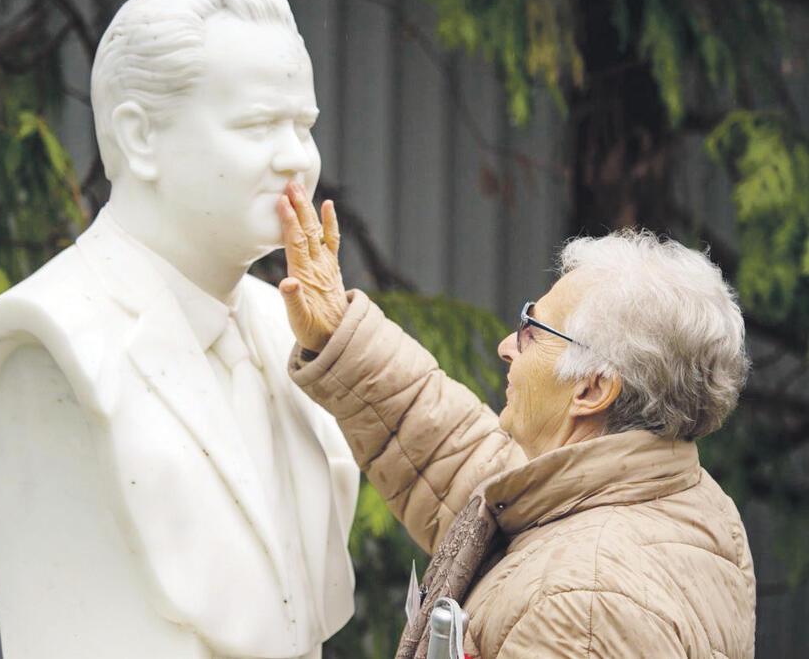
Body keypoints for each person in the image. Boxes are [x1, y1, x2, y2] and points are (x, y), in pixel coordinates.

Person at [0, 0, 358, 657]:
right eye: (257, 125)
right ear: (140, 138)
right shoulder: (45, 336)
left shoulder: (293, 334)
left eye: (303, 126)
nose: (296, 160)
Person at [275, 181, 756, 658]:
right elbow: (457, 460)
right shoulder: (671, 498)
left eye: (532, 329)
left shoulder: (583, 612)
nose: (507, 346)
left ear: (591, 390)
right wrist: (339, 334)